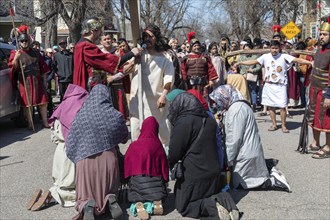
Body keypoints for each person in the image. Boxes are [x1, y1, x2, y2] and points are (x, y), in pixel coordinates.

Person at [166, 90, 239, 219]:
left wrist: (170, 164)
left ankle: (212, 206)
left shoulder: (184, 122)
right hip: (213, 174)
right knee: (205, 194)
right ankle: (226, 202)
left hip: (195, 175)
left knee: (184, 206)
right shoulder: (209, 120)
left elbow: (174, 152)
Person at [210, 85, 292, 192]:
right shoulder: (238, 106)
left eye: (219, 100)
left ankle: (273, 181)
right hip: (249, 152)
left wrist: (226, 161)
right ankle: (268, 166)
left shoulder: (236, 110)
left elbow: (234, 140)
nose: (218, 104)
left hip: (245, 156)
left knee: (242, 184)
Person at [66, 83, 128, 220]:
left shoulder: (81, 115)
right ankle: (110, 198)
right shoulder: (113, 114)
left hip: (84, 160)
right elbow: (125, 136)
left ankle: (87, 204)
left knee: (85, 191)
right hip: (108, 159)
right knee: (110, 185)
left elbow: (70, 143)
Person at [26, 84, 89, 211]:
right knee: (70, 182)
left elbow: (53, 134)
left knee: (60, 179)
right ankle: (59, 196)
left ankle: (54, 192)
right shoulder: (82, 107)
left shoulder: (61, 108)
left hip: (60, 150)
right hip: (74, 150)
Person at [235, 40, 313, 133]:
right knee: (271, 106)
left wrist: (309, 62)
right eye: (272, 48)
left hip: (281, 85)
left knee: (282, 106)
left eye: (276, 48)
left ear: (279, 48)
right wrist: (241, 63)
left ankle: (284, 125)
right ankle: (274, 124)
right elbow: (254, 61)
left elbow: (297, 60)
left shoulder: (284, 56)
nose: (274, 50)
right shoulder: (265, 57)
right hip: (269, 84)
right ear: (270, 48)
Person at [129, 24, 174, 145]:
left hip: (157, 101)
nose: (147, 39)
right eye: (145, 36)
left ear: (157, 38)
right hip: (138, 100)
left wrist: (164, 95)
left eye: (151, 36)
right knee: (137, 130)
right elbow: (125, 70)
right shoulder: (139, 54)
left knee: (160, 132)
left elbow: (169, 77)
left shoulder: (165, 56)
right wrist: (133, 60)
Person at [73, 17, 141, 91]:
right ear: (93, 30)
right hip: (90, 89)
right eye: (99, 31)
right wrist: (131, 53)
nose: (100, 34)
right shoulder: (86, 46)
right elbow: (107, 61)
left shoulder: (80, 45)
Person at [124, 116, 169, 220]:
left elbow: (127, 165)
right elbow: (164, 168)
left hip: (137, 183)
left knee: (135, 192)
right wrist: (165, 180)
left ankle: (139, 203)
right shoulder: (157, 145)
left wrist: (126, 179)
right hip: (156, 183)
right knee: (158, 189)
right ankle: (156, 201)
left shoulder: (133, 145)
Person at [8, 33, 50, 129]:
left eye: (26, 41)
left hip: (37, 80)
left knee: (43, 102)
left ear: (29, 41)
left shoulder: (35, 53)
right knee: (28, 104)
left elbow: (43, 69)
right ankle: (31, 124)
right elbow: (13, 69)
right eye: (22, 41)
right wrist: (16, 58)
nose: (24, 43)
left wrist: (45, 81)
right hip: (25, 81)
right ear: (19, 42)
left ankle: (45, 122)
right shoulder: (15, 53)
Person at [307, 19, 330, 159]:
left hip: (324, 92)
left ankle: (328, 147)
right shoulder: (319, 50)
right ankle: (316, 142)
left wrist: (329, 95)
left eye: (325, 34)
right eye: (321, 34)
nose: (321, 37)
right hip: (314, 90)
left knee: (326, 120)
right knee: (314, 117)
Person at [100, 34, 130, 119]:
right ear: (101, 42)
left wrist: (114, 77)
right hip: (104, 86)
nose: (107, 41)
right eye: (104, 39)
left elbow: (126, 69)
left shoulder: (119, 52)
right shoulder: (99, 53)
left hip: (118, 84)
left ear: (112, 40)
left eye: (108, 39)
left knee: (120, 111)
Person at [44, 48, 55, 117]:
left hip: (47, 80)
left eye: (52, 53)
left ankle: (50, 111)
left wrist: (48, 79)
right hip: (43, 80)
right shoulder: (44, 59)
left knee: (49, 96)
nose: (51, 54)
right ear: (46, 53)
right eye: (50, 53)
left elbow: (52, 71)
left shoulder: (51, 60)